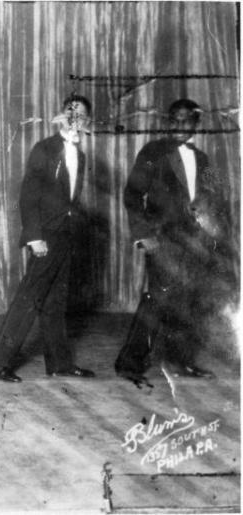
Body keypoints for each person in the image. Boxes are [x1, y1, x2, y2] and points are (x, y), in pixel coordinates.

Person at [114, 99, 235, 385]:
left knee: (190, 301)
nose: (180, 125)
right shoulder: (152, 152)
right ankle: (129, 363)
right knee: (157, 299)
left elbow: (217, 196)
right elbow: (132, 195)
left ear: (196, 123)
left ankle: (180, 361)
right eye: (174, 120)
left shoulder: (204, 159)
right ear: (167, 122)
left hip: (196, 243)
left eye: (186, 120)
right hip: (162, 240)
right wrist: (143, 234)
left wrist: (213, 228)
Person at [0, 94, 96, 383]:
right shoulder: (44, 149)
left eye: (81, 115)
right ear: (62, 115)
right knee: (29, 298)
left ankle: (59, 363)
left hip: (66, 235)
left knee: (55, 302)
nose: (76, 120)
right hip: (45, 235)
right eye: (71, 114)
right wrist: (34, 237)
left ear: (86, 121)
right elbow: (28, 196)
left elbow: (69, 199)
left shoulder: (80, 155)